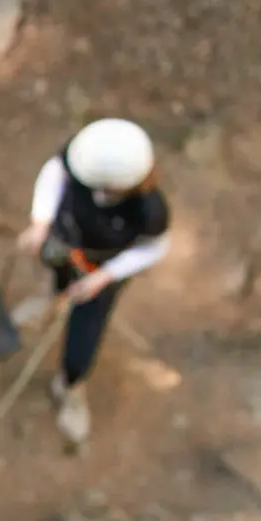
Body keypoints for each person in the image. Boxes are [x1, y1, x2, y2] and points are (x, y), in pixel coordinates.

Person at [12, 118, 171, 444]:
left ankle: (70, 385)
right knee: (55, 274)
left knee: (85, 331)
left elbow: (153, 248)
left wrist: (104, 278)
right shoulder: (86, 157)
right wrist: (40, 223)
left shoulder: (149, 211)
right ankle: (50, 302)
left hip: (100, 270)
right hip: (64, 243)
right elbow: (54, 171)